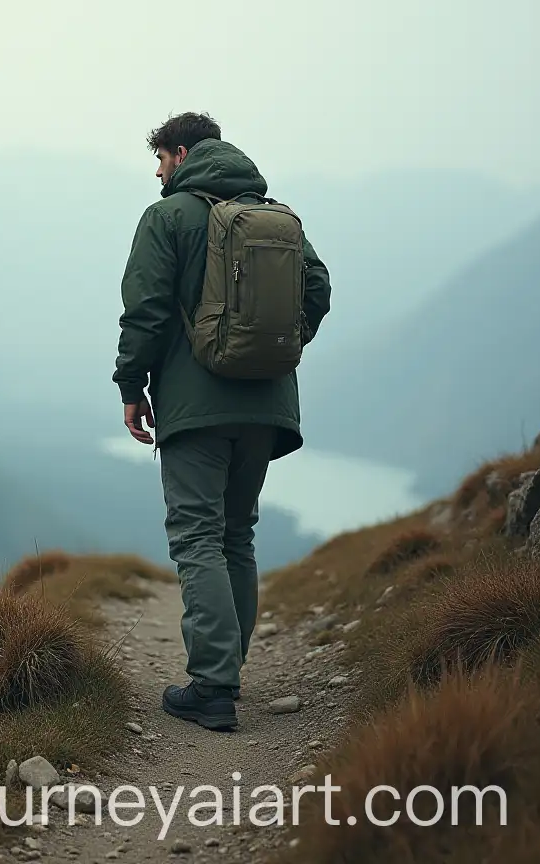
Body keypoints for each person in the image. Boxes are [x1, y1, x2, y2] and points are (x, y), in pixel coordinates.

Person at [113, 112, 331, 730]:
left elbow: (146, 311)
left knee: (197, 537)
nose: (158, 173)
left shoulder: (168, 217)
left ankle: (212, 686)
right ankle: (227, 672)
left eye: (160, 160)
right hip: (266, 405)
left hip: (195, 409)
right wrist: (274, 348)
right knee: (237, 535)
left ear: (181, 154)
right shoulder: (274, 216)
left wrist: (132, 385)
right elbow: (317, 290)